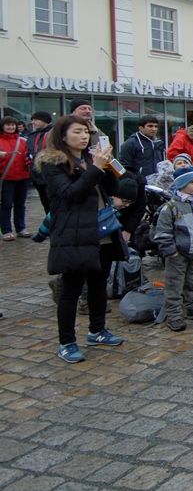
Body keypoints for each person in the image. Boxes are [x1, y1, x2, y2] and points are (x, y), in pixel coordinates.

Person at [36, 115, 125, 363]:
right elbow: (71, 194)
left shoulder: (89, 159)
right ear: (62, 136)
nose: (84, 136)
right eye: (77, 132)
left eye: (86, 132)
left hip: (102, 229)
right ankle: (66, 342)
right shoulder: (54, 164)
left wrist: (107, 168)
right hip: (74, 233)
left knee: (99, 284)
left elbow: (111, 190)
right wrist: (96, 167)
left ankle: (97, 330)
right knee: (71, 290)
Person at [152, 168, 193, 331]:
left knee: (192, 281)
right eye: (192, 183)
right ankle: (174, 315)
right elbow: (163, 233)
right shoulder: (171, 207)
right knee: (174, 285)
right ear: (181, 185)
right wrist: (171, 251)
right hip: (177, 255)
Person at [1, 116, 32, 241]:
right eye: (8, 125)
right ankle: (6, 230)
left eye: (13, 125)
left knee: (20, 204)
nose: (11, 127)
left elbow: (29, 155)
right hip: (5, 178)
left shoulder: (23, 140)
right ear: (2, 126)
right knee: (6, 205)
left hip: (22, 177)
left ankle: (21, 228)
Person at [118, 115, 164, 179]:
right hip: (138, 183)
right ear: (141, 128)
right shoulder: (130, 144)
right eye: (150, 126)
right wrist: (135, 179)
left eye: (156, 126)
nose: (154, 129)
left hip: (157, 182)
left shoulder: (159, 143)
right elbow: (124, 166)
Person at [25, 111, 54, 213]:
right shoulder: (32, 136)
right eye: (32, 120)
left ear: (44, 120)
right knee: (46, 204)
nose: (33, 122)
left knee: (54, 204)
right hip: (37, 176)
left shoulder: (54, 133)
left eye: (36, 120)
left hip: (51, 175)